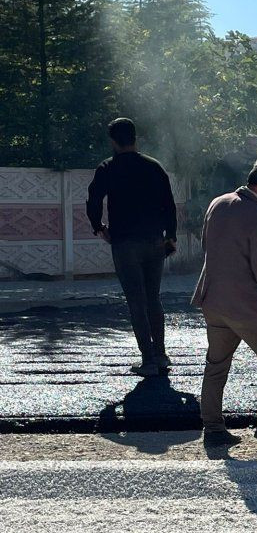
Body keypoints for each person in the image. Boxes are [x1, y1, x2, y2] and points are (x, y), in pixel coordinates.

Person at [191, 157, 257, 449]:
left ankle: (213, 430)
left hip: (213, 300)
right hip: (246, 305)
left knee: (216, 364)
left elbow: (207, 246)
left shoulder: (218, 203)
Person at [86, 117, 178, 377]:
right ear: (135, 138)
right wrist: (170, 236)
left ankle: (147, 360)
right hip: (154, 241)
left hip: (125, 243)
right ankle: (161, 355)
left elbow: (93, 200)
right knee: (153, 298)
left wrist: (99, 227)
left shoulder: (107, 168)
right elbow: (168, 205)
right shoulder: (154, 167)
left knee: (136, 301)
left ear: (113, 141)